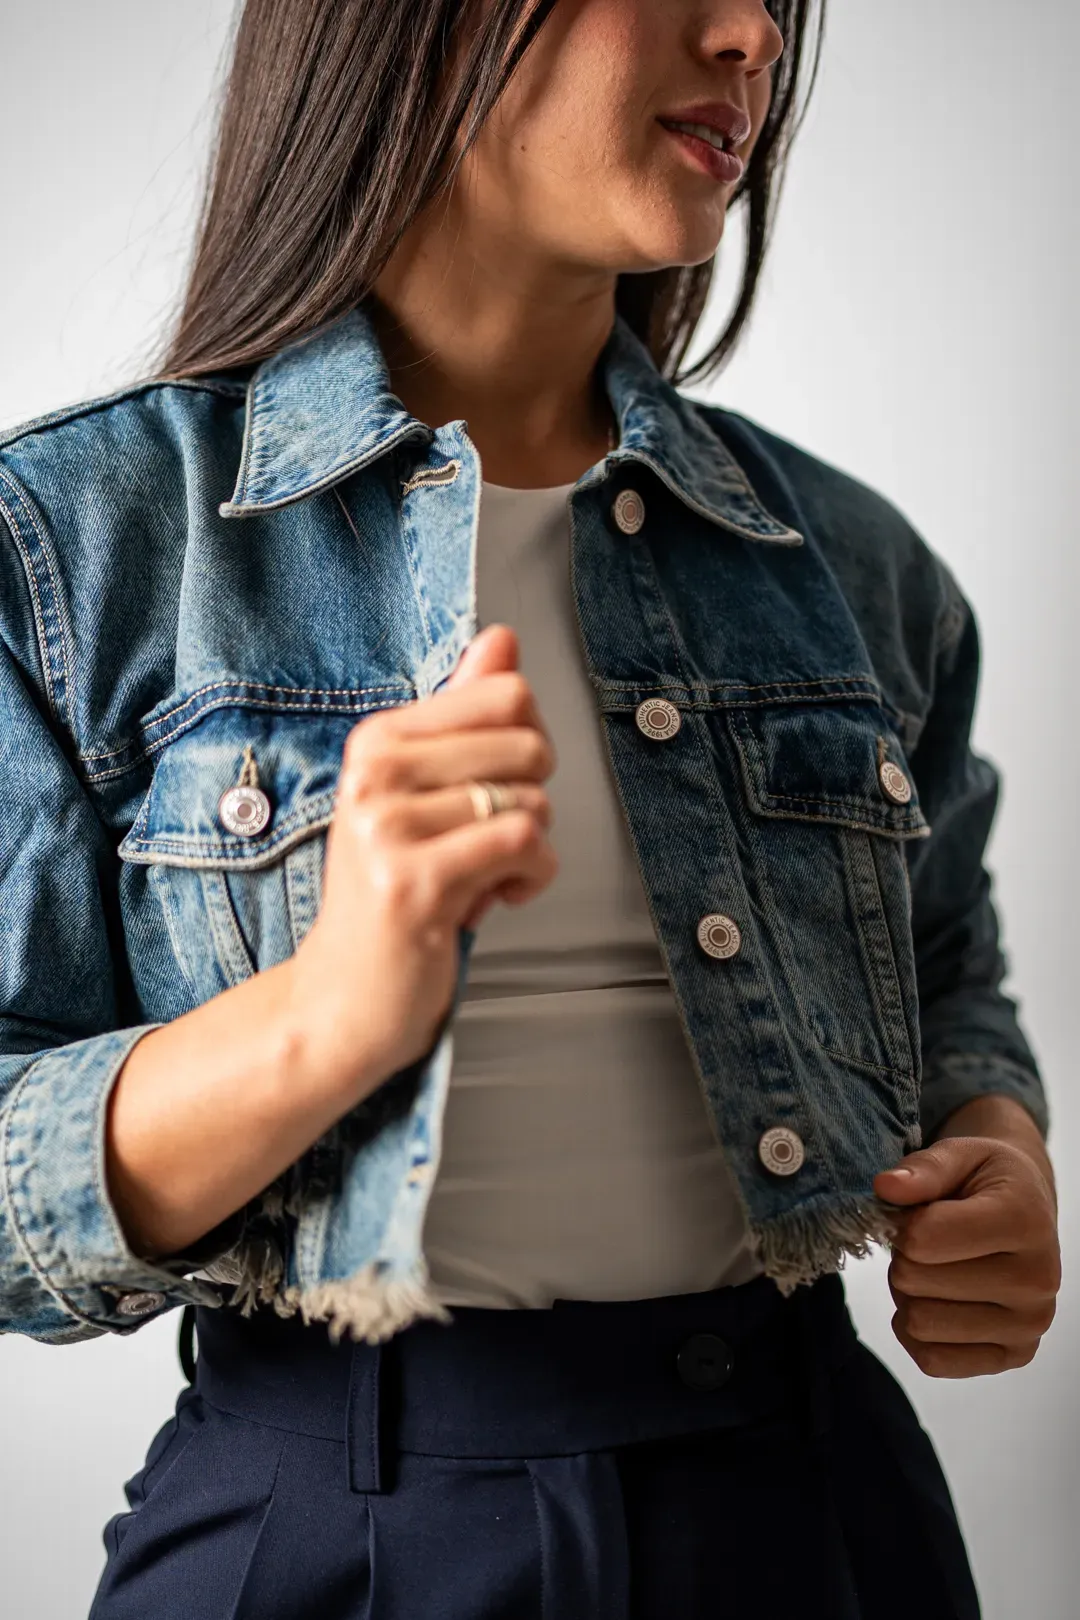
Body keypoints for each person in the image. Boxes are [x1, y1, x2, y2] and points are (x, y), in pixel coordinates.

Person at [0, 1, 1060, 1615]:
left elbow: (948, 987)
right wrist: (329, 1018)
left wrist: (999, 1156)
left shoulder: (853, 567)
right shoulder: (71, 551)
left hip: (814, 1509)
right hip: (320, 1529)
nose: (755, 35)